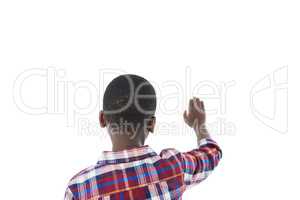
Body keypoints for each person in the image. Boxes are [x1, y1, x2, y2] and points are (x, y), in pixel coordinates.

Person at [64, 74, 222, 200]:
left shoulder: (80, 188)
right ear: (151, 124)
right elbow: (212, 153)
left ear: (102, 119)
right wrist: (198, 125)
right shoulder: (175, 166)